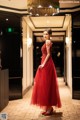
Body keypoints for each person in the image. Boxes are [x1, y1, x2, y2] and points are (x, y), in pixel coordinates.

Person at [31, 28, 61, 116]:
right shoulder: (47, 42)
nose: (44, 36)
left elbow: (48, 54)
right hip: (46, 62)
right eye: (43, 34)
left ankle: (49, 108)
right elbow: (45, 54)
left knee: (46, 85)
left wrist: (43, 64)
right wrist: (42, 58)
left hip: (47, 64)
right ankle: (49, 108)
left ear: (50, 35)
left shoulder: (47, 42)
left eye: (46, 34)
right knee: (46, 85)